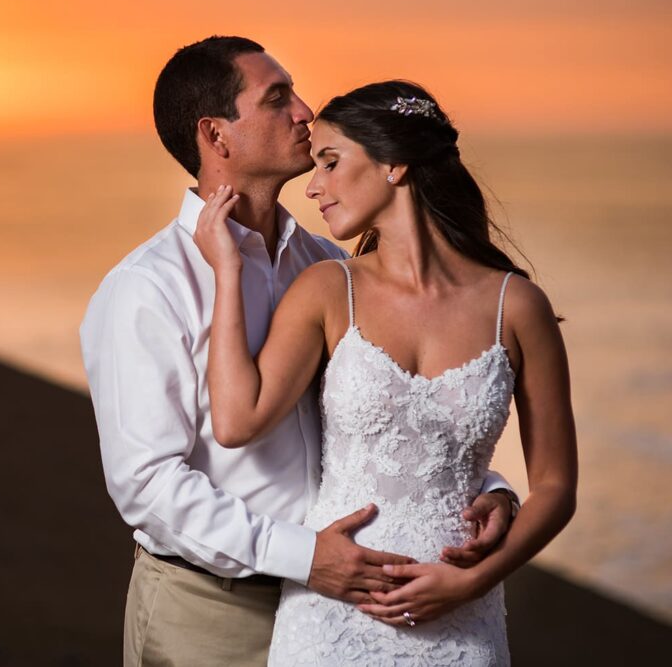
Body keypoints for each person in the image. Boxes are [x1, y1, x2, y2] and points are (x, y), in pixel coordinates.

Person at [80, 37, 519, 667]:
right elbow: (146, 485)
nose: (305, 111)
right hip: (211, 613)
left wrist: (492, 491)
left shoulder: (329, 266)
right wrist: (304, 557)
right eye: (277, 98)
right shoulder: (145, 289)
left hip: (337, 613)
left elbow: (391, 416)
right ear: (216, 136)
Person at [192, 80, 578, 665]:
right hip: (332, 618)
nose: (313, 185)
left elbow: (555, 486)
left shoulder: (517, 306)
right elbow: (236, 420)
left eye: (330, 161)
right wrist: (226, 271)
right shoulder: (328, 289)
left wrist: (472, 582)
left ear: (394, 164)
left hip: (461, 622)